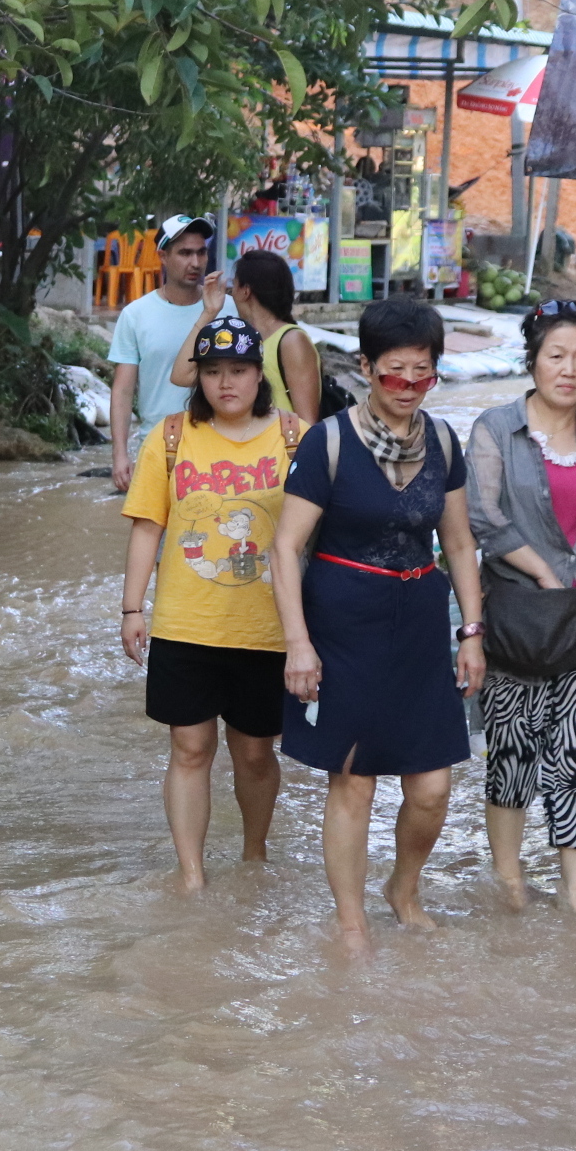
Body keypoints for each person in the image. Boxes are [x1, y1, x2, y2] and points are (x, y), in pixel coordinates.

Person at [269, 299, 486, 953]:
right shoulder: (327, 443)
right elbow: (285, 548)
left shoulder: (443, 443)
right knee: (354, 779)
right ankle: (351, 922)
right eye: (396, 374)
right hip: (343, 624)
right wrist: (298, 644)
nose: (410, 389)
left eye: (424, 375)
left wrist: (471, 632)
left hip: (419, 624)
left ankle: (403, 886)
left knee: (431, 786)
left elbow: (457, 542)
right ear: (365, 367)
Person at [119, 315, 303, 889]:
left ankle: (254, 853)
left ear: (259, 375)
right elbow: (149, 526)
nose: (227, 383)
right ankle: (192, 874)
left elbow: (317, 532)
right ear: (197, 377)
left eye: (240, 370)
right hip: (185, 622)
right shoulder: (171, 437)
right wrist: (132, 609)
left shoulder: (296, 437)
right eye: (214, 371)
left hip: (267, 627)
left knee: (253, 753)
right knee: (190, 746)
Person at [466, 302, 576, 919]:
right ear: (532, 359)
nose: (568, 369)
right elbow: (481, 517)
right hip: (518, 621)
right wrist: (545, 572)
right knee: (512, 757)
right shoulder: (494, 429)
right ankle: (510, 885)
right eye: (556, 356)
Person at [108, 214, 215, 491]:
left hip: (219, 444)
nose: (195, 262)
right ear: (163, 256)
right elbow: (122, 391)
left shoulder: (226, 308)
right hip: (158, 445)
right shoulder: (135, 315)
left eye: (201, 252)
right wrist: (120, 454)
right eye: (185, 253)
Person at [160, 248, 325, 424]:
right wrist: (209, 313)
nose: (231, 293)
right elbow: (180, 376)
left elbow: (307, 422)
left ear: (245, 291)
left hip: (280, 447)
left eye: (233, 286)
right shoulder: (238, 338)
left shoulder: (292, 341)